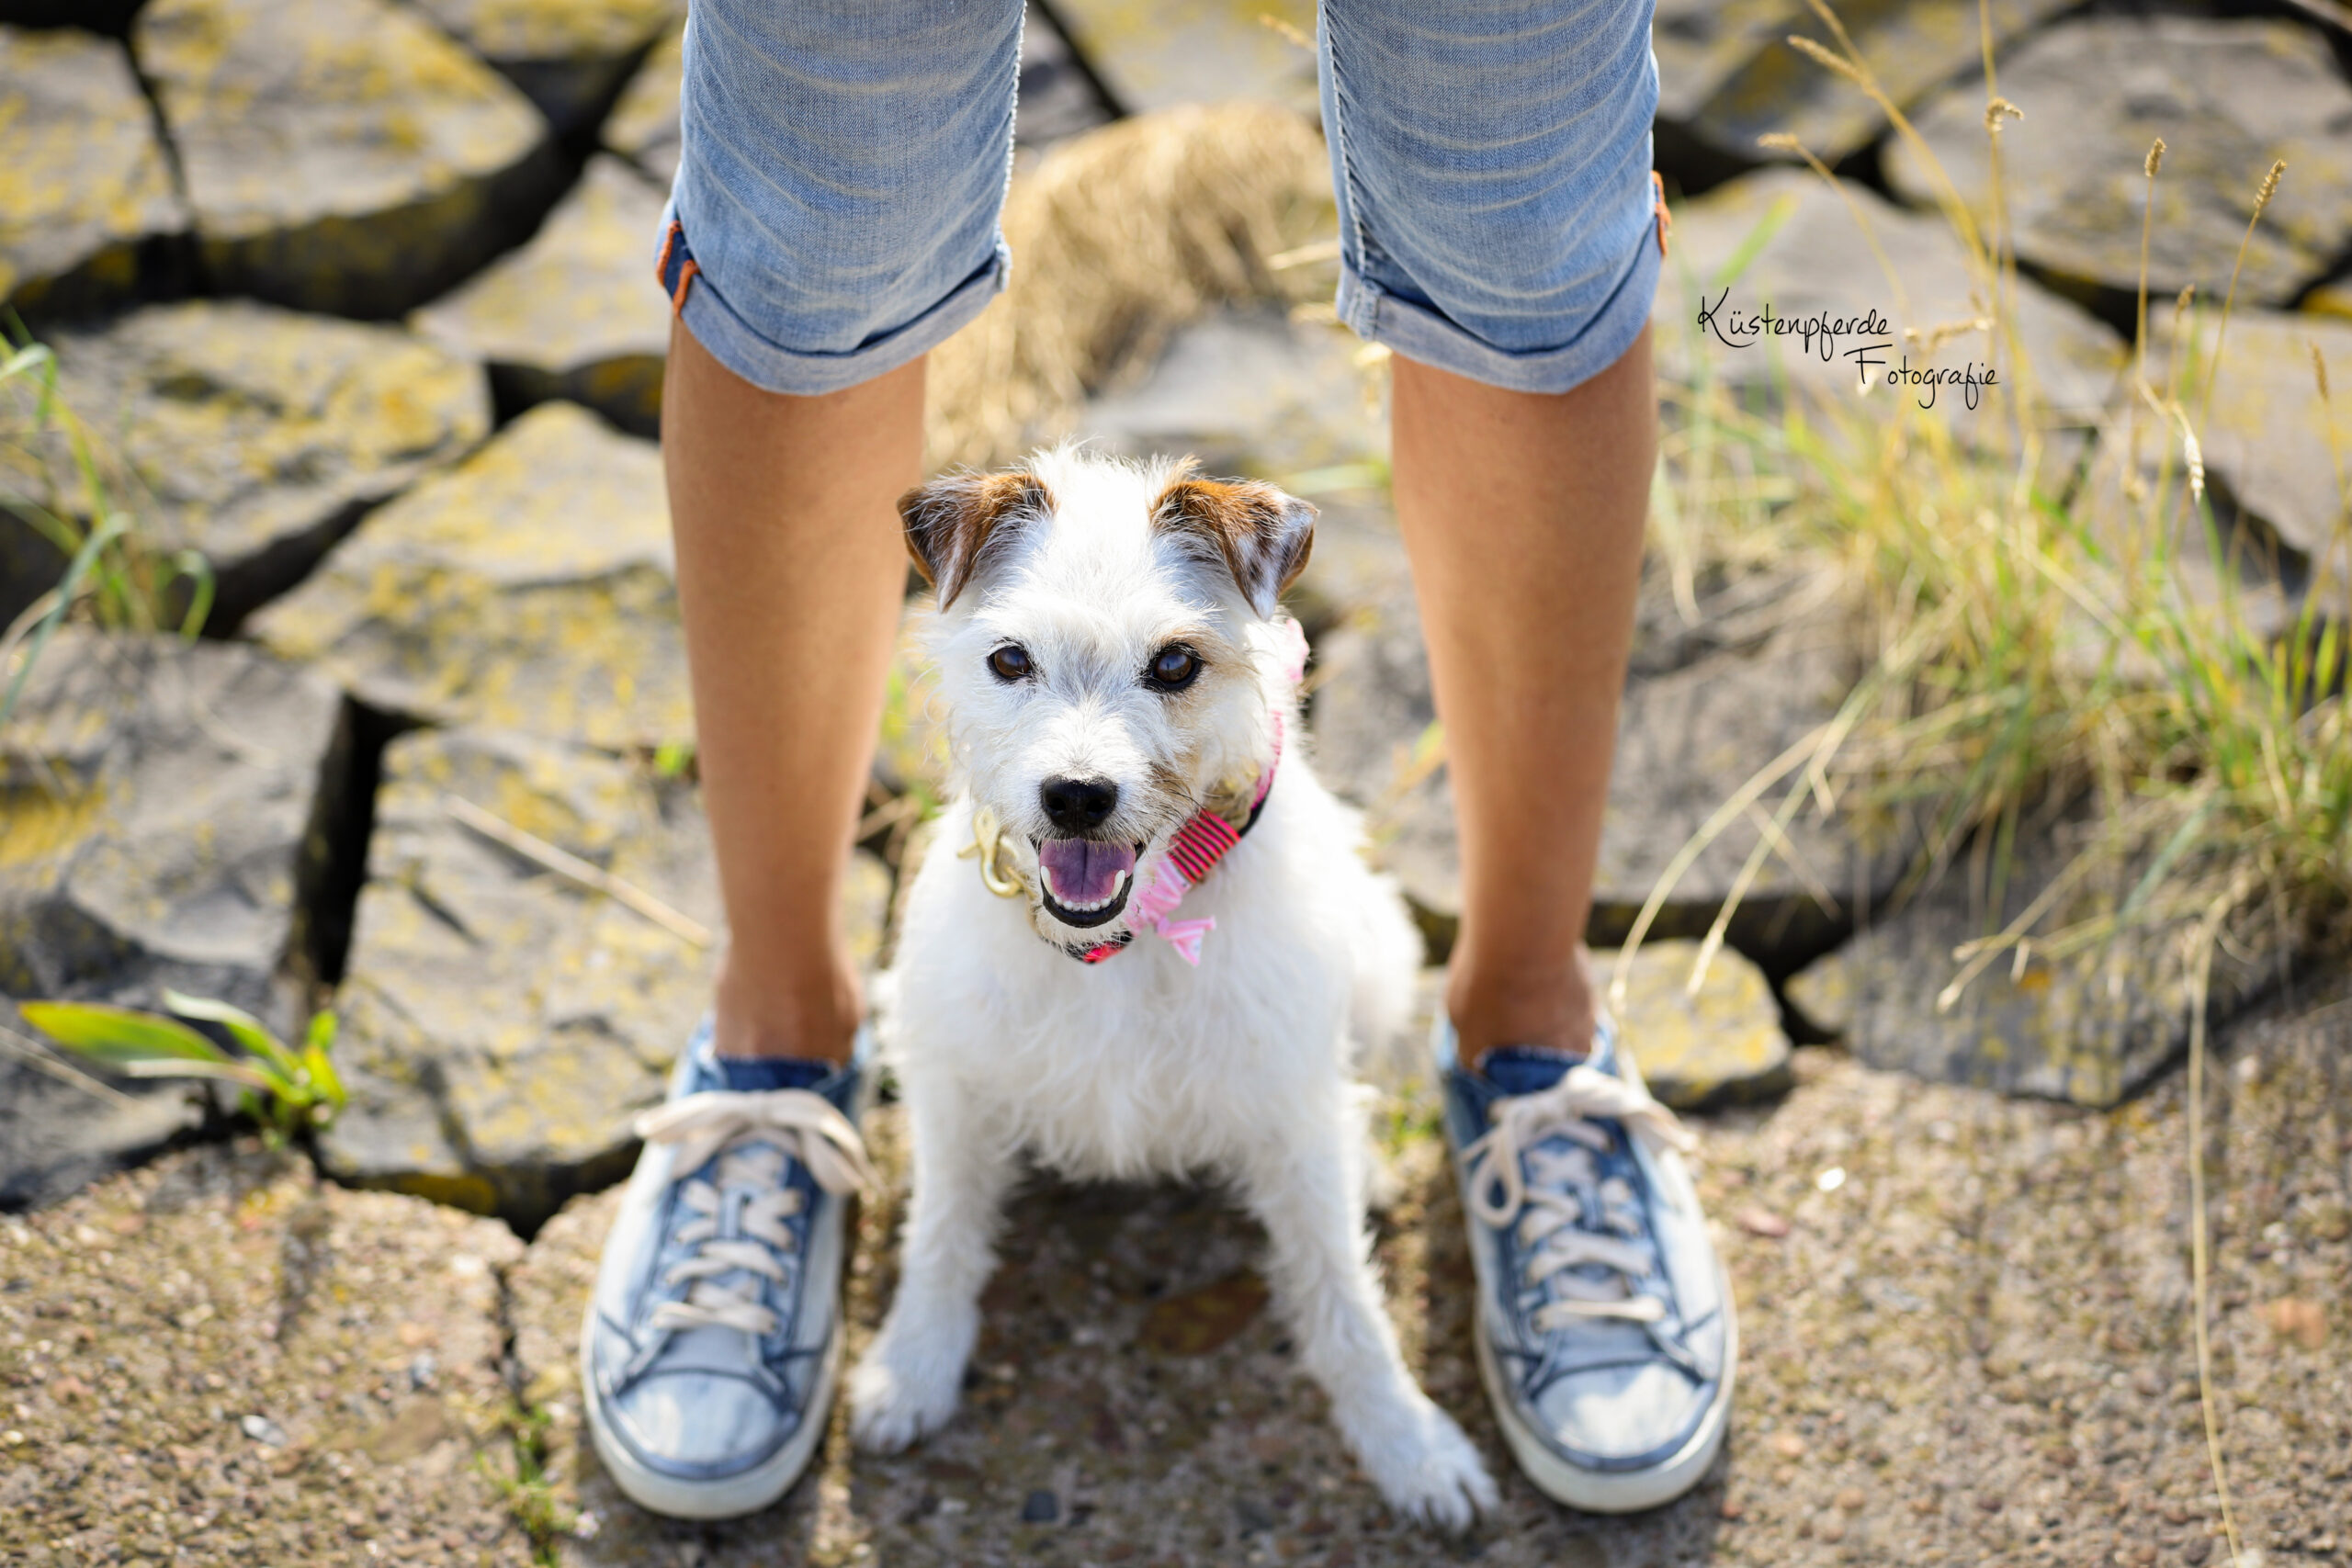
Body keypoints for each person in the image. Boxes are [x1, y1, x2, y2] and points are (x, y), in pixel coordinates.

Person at [579, 0, 1730, 1523]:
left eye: (1172, 671)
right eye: (1010, 663)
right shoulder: (976, 587)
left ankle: (1528, 1034)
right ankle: (777, 1046)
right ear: (949, 598)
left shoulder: (1243, 671)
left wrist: (1372, 1402)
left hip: (1250, 898)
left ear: (1261, 618)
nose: (1078, 761)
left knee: (1525, 220)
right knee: (808, 221)